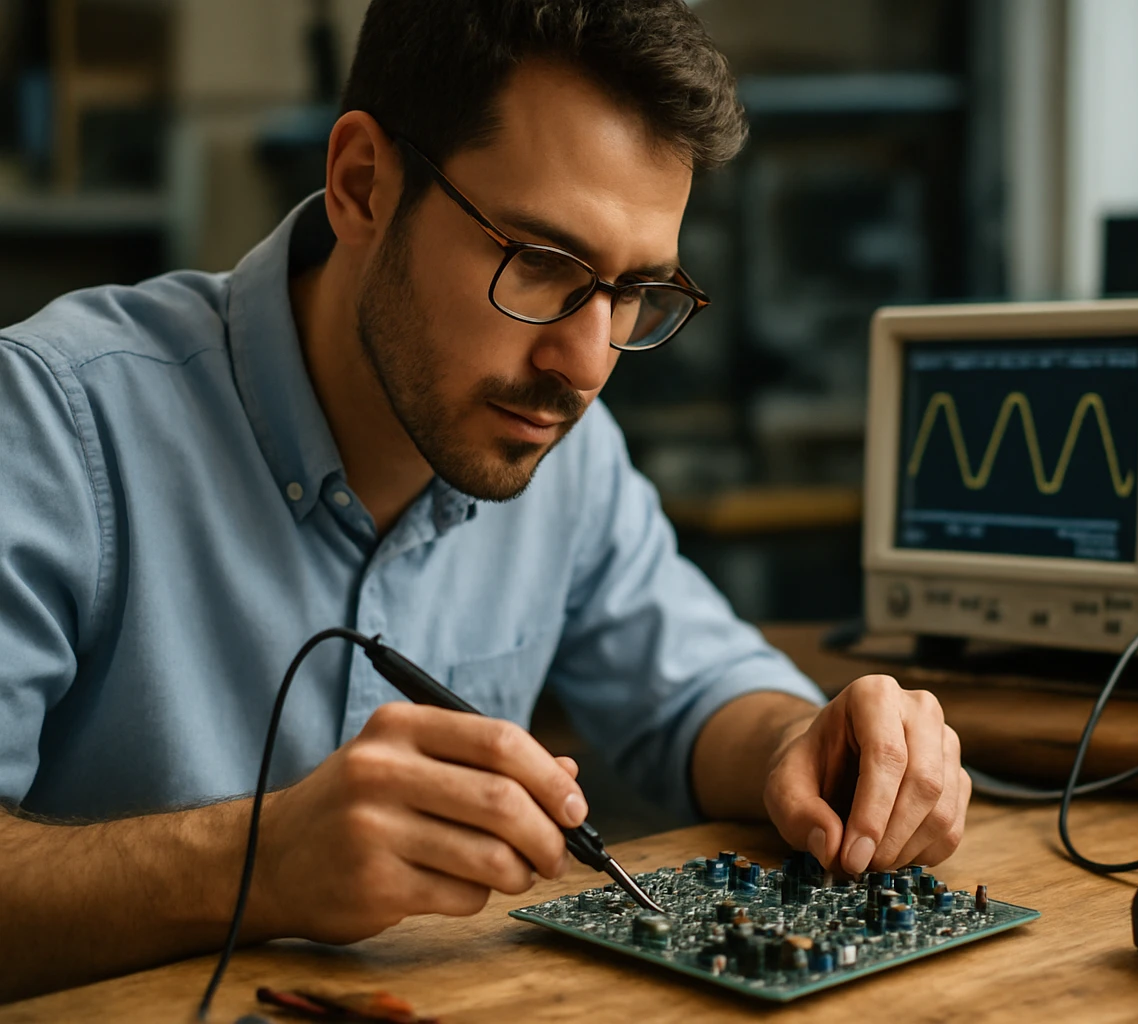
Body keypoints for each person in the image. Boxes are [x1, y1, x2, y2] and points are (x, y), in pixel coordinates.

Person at [0, 0, 968, 1002]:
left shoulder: (561, 445)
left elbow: (696, 691)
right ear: (362, 186)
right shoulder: (50, 424)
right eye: (542, 265)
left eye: (635, 289)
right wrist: (262, 858)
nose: (586, 364)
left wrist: (803, 744)